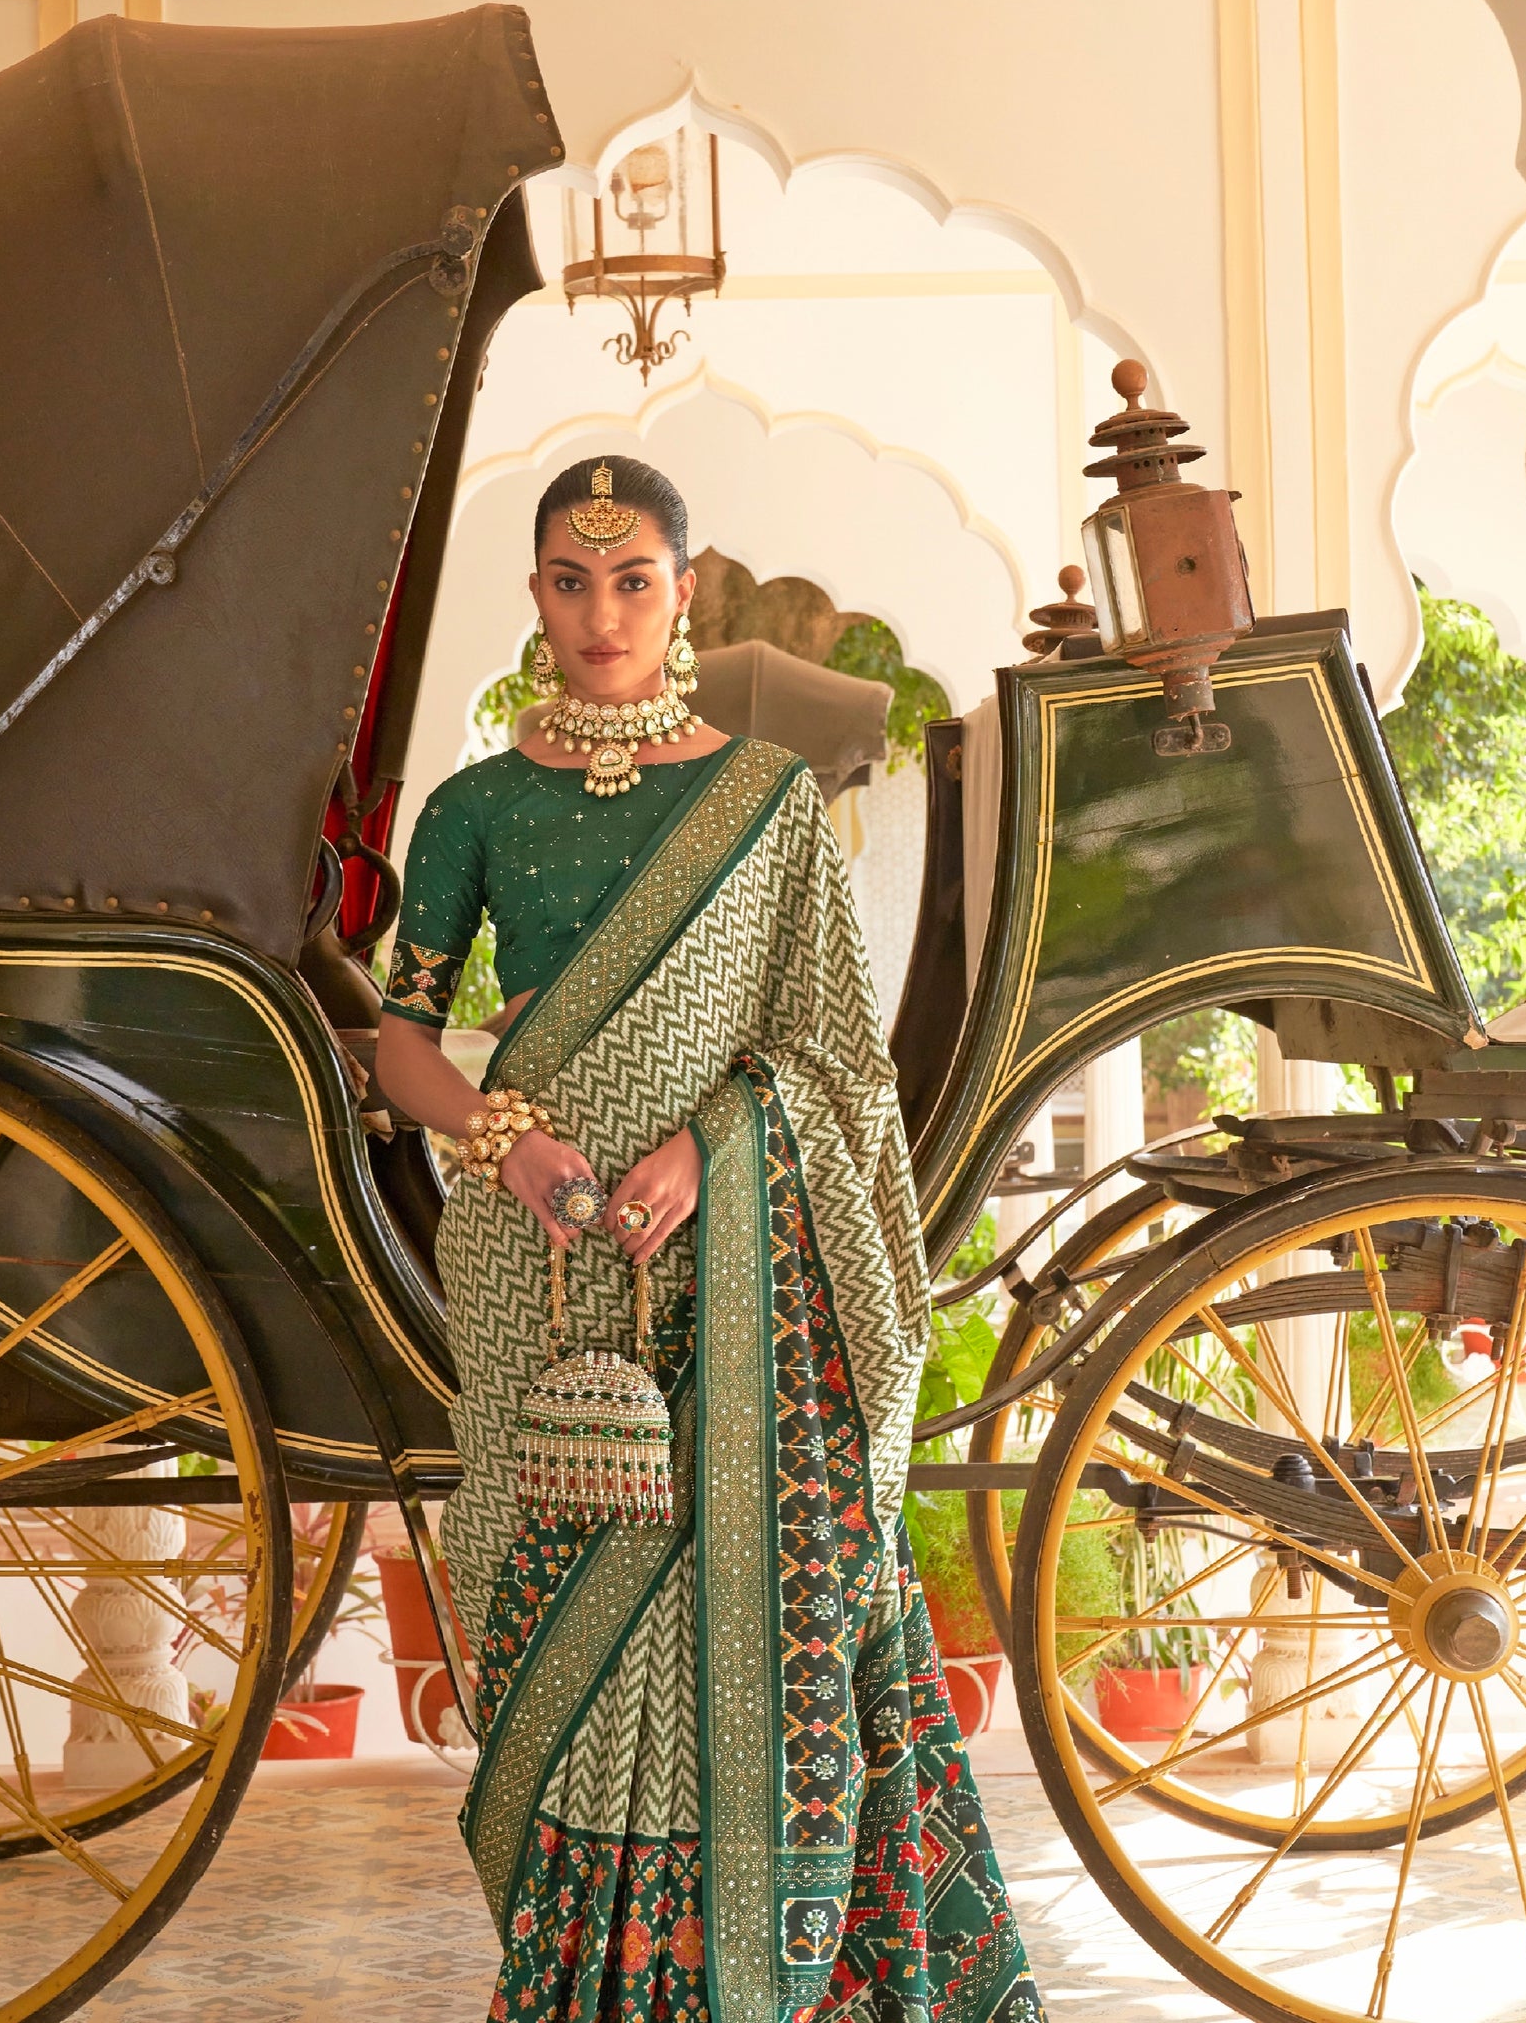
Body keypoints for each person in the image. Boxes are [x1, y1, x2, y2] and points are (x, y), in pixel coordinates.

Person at [376, 456, 1045, 2023]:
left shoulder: (766, 805)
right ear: (533, 597)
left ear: (682, 592)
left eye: (631, 581)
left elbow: (834, 1056)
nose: (599, 613)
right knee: (566, 1638)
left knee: (744, 1629)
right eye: (566, 580)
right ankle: (581, 1975)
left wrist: (711, 1141)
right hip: (538, 1267)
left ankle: (760, 1978)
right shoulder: (474, 807)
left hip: (741, 1260)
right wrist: (507, 1142)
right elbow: (399, 1042)